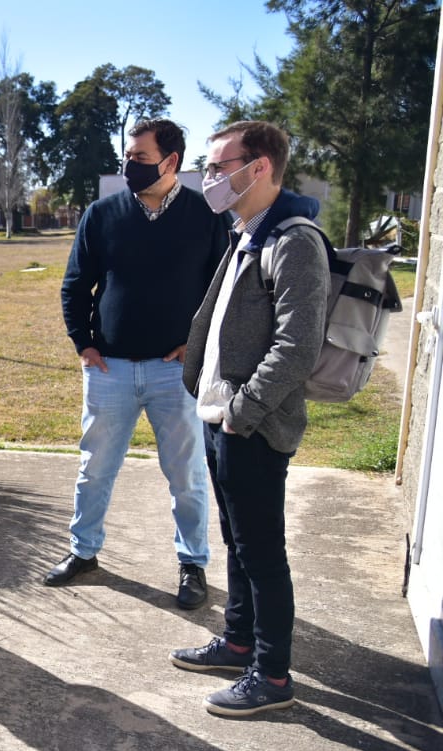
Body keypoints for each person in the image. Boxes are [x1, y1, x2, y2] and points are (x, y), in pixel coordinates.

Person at [170, 121, 328, 716]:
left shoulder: (293, 240)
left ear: (258, 167)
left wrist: (243, 412)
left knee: (262, 551)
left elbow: (297, 344)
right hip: (220, 416)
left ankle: (273, 676)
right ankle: (238, 642)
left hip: (253, 425)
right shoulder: (246, 233)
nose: (210, 178)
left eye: (218, 167)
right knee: (237, 542)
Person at [49, 118, 231, 609]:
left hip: (176, 373)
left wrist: (195, 348)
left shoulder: (206, 216)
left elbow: (224, 295)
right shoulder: (102, 214)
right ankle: (83, 552)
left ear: (171, 162)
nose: (129, 165)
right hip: (109, 369)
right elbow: (75, 284)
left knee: (187, 475)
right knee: (95, 468)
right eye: (127, 157)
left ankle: (192, 563)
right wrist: (83, 343)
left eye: (141, 159)